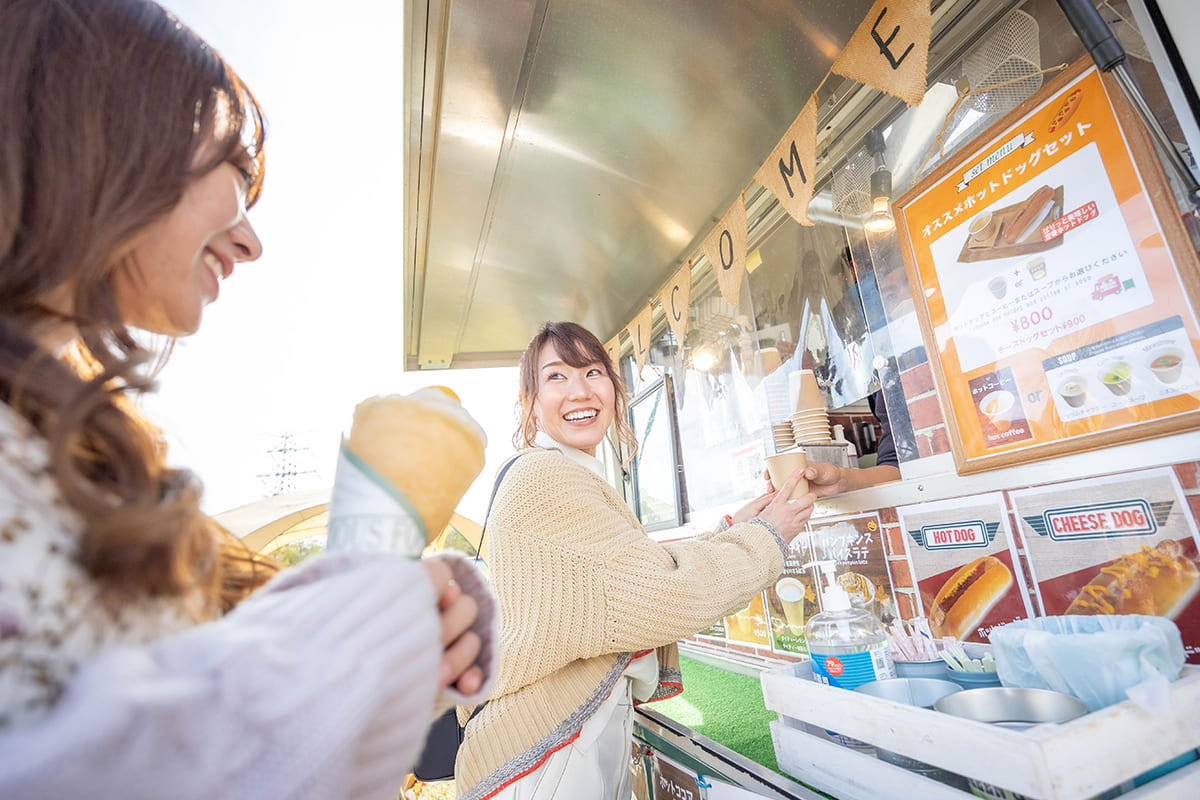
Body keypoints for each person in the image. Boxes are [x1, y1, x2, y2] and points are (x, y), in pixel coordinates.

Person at [0, 2, 494, 797]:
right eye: (228, 163)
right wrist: (360, 633)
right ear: (93, 136)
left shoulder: (75, 447)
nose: (251, 241)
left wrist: (395, 639)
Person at [454, 321, 812, 800]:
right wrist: (767, 538)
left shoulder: (568, 471)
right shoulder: (546, 478)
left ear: (614, 388)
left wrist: (734, 527)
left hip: (563, 741)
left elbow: (622, 572)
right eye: (556, 377)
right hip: (544, 756)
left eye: (593, 372)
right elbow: (659, 594)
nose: (579, 391)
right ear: (530, 402)